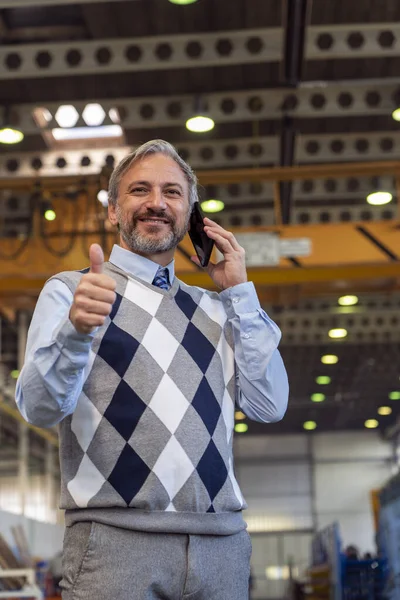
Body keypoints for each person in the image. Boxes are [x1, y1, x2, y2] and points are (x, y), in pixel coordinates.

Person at [16, 140, 289, 600]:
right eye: (139, 190)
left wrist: (241, 293)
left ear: (191, 215)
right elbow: (40, 408)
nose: (157, 203)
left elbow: (269, 405)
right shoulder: (74, 291)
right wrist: (76, 331)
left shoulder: (220, 308)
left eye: (173, 192)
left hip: (220, 546)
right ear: (113, 210)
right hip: (116, 543)